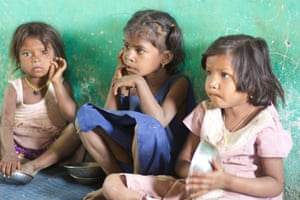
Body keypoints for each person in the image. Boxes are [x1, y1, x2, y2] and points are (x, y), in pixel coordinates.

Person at [93, 34, 293, 200]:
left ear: (252, 81)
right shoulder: (206, 112)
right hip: (196, 192)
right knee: (113, 183)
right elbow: (182, 162)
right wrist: (198, 178)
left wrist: (225, 181)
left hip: (240, 195)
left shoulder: (265, 124)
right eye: (209, 73)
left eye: (224, 75)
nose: (212, 83)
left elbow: (274, 184)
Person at [75, 8, 195, 185]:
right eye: (126, 47)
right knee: (86, 115)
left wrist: (139, 83)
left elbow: (159, 122)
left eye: (139, 50)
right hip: (128, 159)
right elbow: (108, 118)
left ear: (166, 57)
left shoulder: (178, 83)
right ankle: (118, 181)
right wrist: (115, 83)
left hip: (161, 169)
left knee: (148, 125)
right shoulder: (128, 81)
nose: (129, 56)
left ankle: (139, 187)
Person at [0, 22, 83, 180]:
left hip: (51, 148)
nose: (36, 59)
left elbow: (71, 116)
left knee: (78, 127)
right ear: (18, 59)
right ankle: (17, 162)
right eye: (27, 54)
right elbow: (6, 123)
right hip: (17, 148)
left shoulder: (61, 85)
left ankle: (35, 165)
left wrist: (57, 83)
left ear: (56, 57)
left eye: (44, 52)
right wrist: (9, 153)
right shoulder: (14, 88)